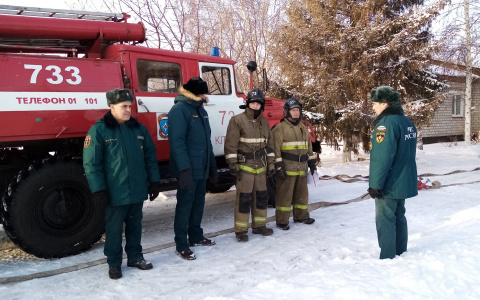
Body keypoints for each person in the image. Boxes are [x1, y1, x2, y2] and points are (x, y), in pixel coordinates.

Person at [83, 88, 161, 279]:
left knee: (135, 226)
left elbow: (150, 157)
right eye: (123, 106)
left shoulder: (139, 129)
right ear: (111, 107)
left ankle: (135, 257)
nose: (128, 110)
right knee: (114, 229)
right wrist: (98, 189)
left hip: (136, 189)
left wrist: (154, 181)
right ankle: (114, 263)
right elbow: (92, 163)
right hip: (114, 192)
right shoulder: (99, 130)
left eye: (130, 106)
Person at [168, 77, 218, 260]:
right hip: (188, 169)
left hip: (202, 167)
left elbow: (207, 141)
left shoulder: (201, 111)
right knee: (185, 205)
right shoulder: (179, 110)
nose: (205, 96)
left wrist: (212, 165)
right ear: (194, 93)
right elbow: (177, 142)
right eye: (203, 93)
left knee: (198, 203)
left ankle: (195, 235)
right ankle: (181, 244)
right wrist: (184, 169)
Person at [368, 86, 418, 259]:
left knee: (385, 218)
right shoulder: (406, 122)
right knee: (399, 215)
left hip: (389, 182)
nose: (373, 107)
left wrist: (375, 184)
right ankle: (400, 250)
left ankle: (388, 256)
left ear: (385, 103)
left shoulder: (386, 124)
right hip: (404, 179)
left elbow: (382, 157)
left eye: (374, 103)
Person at [224, 88, 275, 242]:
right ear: (248, 103)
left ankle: (260, 226)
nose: (255, 106)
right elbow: (230, 145)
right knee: (244, 199)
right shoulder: (237, 120)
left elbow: (270, 145)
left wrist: (271, 164)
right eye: (252, 103)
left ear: (262, 105)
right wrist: (233, 164)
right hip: (244, 167)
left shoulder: (264, 122)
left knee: (261, 198)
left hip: (260, 166)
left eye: (258, 103)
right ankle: (241, 230)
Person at [272, 98, 316, 230]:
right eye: (293, 110)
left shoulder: (303, 128)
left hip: (302, 168)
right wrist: (278, 166)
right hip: (287, 168)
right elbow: (275, 150)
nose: (296, 113)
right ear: (287, 112)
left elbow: (309, 148)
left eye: (297, 110)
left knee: (302, 194)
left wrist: (312, 162)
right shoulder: (279, 129)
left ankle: (301, 216)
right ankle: (282, 221)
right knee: (284, 196)